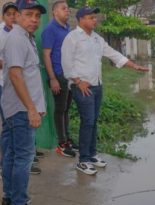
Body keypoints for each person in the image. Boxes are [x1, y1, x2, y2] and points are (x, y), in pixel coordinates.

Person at [61, 6, 149, 175]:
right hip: (82, 88)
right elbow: (66, 64)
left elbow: (114, 54)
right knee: (87, 121)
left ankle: (92, 154)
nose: (95, 20)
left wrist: (134, 65)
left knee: (93, 121)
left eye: (95, 17)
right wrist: (78, 82)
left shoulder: (96, 39)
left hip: (97, 86)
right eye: (91, 17)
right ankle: (83, 160)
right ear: (81, 20)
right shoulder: (72, 38)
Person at [0, 0, 46, 204]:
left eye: (37, 16)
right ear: (16, 16)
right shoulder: (17, 39)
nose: (34, 20)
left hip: (17, 108)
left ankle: (10, 197)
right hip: (21, 110)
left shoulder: (26, 38)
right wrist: (32, 109)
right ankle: (19, 200)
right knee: (23, 158)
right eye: (28, 14)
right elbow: (16, 75)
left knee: (12, 154)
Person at [42, 0, 77, 158]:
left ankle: (67, 139)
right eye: (64, 9)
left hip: (69, 75)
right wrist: (53, 78)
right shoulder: (50, 30)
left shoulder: (67, 28)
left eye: (68, 9)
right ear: (55, 12)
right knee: (60, 109)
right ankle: (62, 144)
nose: (67, 11)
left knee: (66, 109)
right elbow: (46, 55)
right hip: (59, 75)